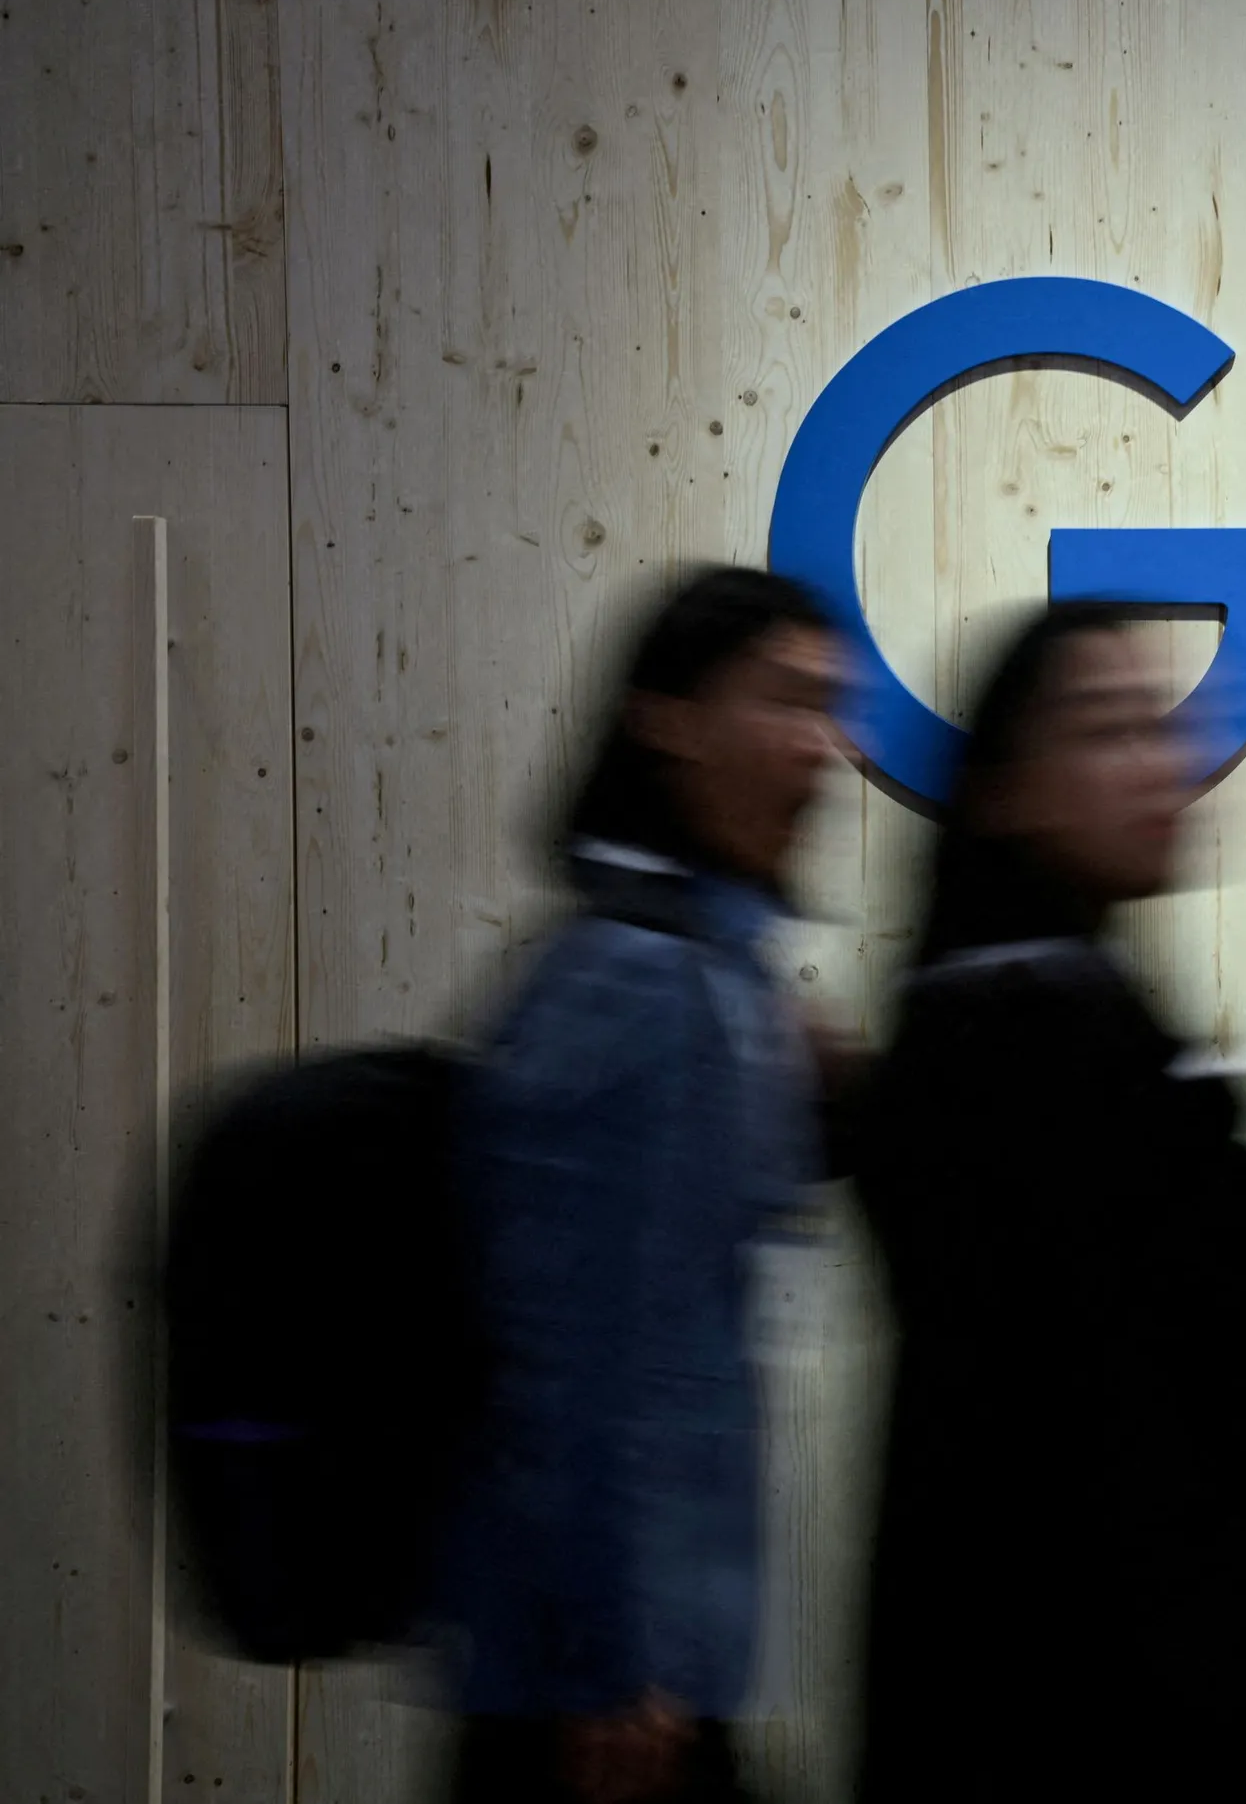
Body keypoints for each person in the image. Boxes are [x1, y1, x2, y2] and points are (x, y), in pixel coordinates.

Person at [852, 602, 1246, 1803]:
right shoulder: (1035, 1029)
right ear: (1010, 789)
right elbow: (1165, 1371)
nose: (1163, 765)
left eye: (1161, 725)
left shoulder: (995, 1010)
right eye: (1110, 730)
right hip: (1091, 1703)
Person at [437, 567, 846, 1804]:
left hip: (621, 1673)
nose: (821, 748)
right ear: (665, 716)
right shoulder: (647, 982)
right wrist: (618, 1660)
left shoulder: (699, 971)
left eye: (832, 709)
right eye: (784, 699)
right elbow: (600, 1353)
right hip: (612, 1700)